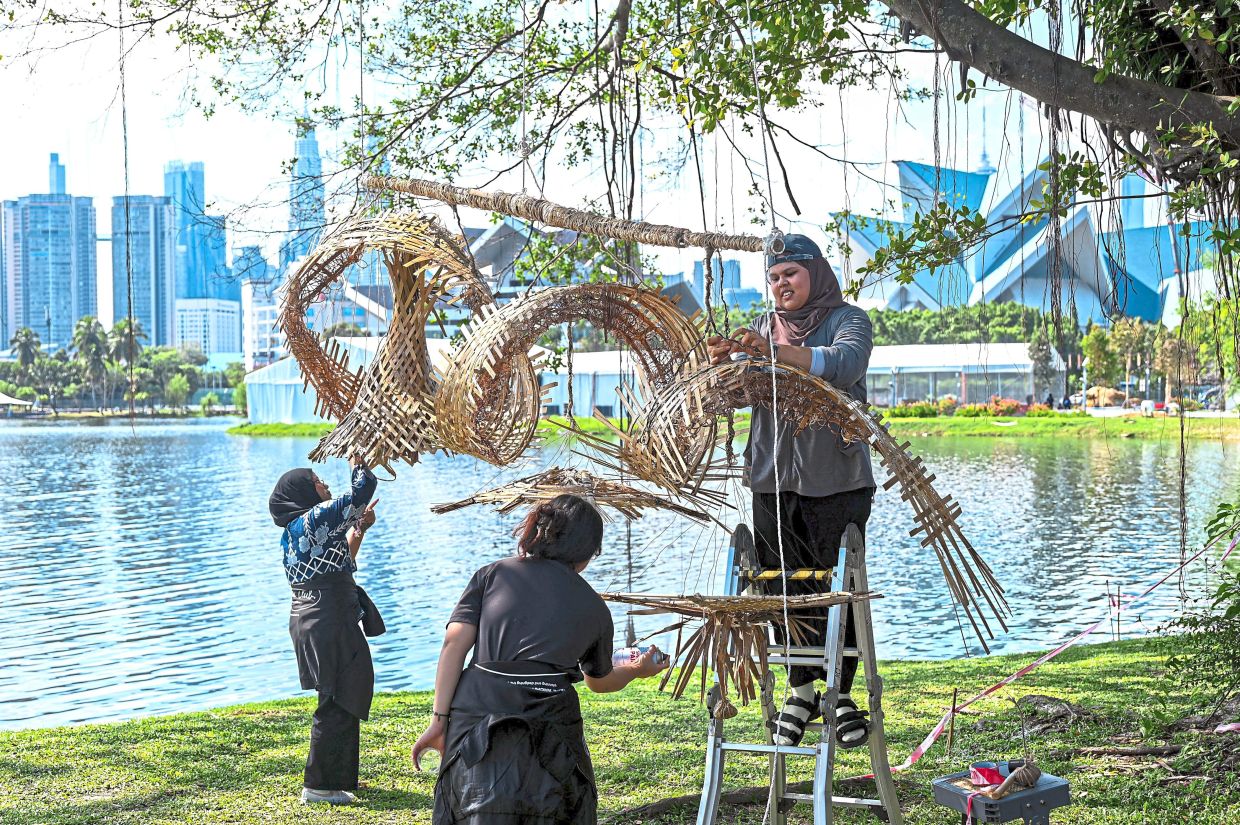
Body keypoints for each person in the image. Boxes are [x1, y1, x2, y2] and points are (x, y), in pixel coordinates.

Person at [706, 233, 875, 749]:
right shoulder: (761, 328)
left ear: (815, 274)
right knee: (782, 588)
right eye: (774, 278)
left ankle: (841, 695)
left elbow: (843, 366)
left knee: (834, 586)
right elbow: (739, 395)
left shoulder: (850, 320)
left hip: (837, 481)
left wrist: (775, 353)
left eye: (791, 275)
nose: (781, 286)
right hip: (769, 480)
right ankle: (801, 690)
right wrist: (721, 368)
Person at [411, 494, 667, 825]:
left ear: (537, 532)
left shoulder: (491, 576)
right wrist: (636, 670)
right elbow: (599, 681)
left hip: (476, 717)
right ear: (589, 552)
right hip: (552, 730)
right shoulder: (594, 607)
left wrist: (439, 720)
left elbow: (454, 644)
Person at [269, 456, 382, 806]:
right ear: (302, 492)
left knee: (342, 691)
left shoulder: (297, 531)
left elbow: (341, 561)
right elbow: (363, 488)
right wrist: (359, 461)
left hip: (317, 616)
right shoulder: (314, 517)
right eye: (318, 481)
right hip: (326, 617)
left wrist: (359, 528)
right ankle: (318, 785)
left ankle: (337, 779)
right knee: (338, 696)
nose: (325, 485)